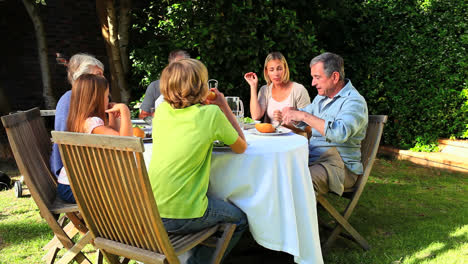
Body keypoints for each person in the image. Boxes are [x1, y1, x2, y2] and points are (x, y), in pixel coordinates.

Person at [148, 58, 248, 263]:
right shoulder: (210, 114)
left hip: (151, 212)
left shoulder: (162, 112)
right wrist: (222, 106)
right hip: (185, 214)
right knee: (239, 220)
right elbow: (241, 146)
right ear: (201, 87)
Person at [282, 52, 368, 196]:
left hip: (339, 167)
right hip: (314, 159)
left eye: (317, 77)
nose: (313, 83)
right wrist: (294, 114)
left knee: (298, 183)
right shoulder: (322, 98)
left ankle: (298, 218)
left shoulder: (354, 101)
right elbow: (304, 117)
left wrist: (303, 115)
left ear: (334, 77)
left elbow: (339, 133)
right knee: (278, 172)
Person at [57, 74, 132, 203]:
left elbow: (113, 138)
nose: (108, 99)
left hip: (70, 186)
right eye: (106, 96)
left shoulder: (80, 119)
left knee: (124, 187)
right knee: (128, 190)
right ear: (95, 99)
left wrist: (113, 115)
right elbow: (125, 143)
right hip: (77, 189)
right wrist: (125, 111)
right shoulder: (93, 122)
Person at [50, 53, 105, 203]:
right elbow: (67, 142)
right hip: (75, 177)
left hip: (75, 174)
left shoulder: (74, 97)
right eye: (99, 74)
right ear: (84, 77)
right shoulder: (72, 99)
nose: (104, 79)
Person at [244, 51, 310, 125]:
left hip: (293, 135)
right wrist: (253, 86)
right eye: (271, 70)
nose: (276, 74)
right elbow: (255, 116)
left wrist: (288, 119)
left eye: (279, 69)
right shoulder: (265, 90)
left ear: (285, 69)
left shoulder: (299, 90)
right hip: (271, 135)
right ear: (267, 72)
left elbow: (308, 124)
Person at [139, 49, 190, 119]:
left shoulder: (196, 86)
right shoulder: (155, 86)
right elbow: (143, 116)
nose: (179, 70)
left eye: (183, 66)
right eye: (176, 66)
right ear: (169, 67)